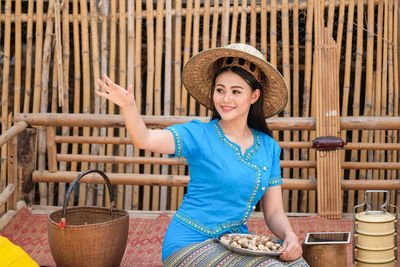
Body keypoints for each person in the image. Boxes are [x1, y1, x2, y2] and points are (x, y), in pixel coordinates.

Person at [97, 43, 308, 266]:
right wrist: (129, 106)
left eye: (236, 91)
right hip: (189, 242)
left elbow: (274, 211)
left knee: (298, 264)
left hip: (235, 243)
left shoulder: (269, 147)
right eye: (220, 90)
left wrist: (289, 236)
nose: (225, 99)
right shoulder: (199, 134)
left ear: (254, 95)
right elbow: (144, 139)